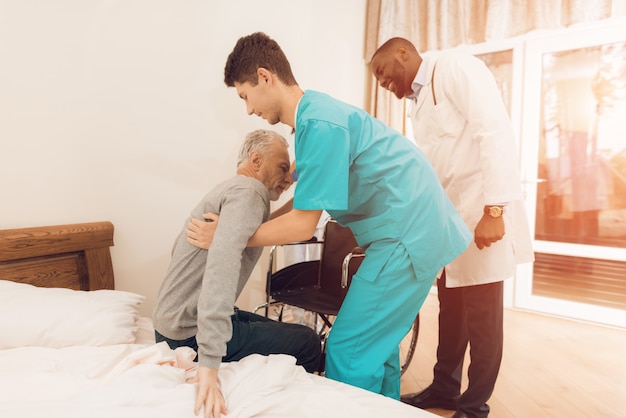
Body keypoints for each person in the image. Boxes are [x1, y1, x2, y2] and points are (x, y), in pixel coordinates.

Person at [185, 32, 472, 401]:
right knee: (376, 348)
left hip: (408, 233)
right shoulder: (313, 118)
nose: (248, 109)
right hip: (411, 228)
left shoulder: (319, 124)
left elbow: (304, 225)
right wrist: (258, 221)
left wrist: (230, 234)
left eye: (245, 95)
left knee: (348, 349)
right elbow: (306, 202)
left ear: (265, 77)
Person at [370, 37, 534, 418]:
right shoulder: (419, 103)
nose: (382, 84)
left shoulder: (455, 67)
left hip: (481, 215)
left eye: (382, 72)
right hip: (449, 224)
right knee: (451, 310)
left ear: (403, 54)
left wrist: (495, 210)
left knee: (482, 319)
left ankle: (474, 407)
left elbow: (493, 131)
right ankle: (444, 390)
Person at [152, 129, 322, 418]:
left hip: (170, 325)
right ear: (256, 160)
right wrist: (209, 360)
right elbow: (223, 268)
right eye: (282, 168)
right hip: (190, 335)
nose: (287, 180)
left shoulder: (232, 189)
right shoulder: (251, 192)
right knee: (308, 342)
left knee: (289, 332)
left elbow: (263, 228)